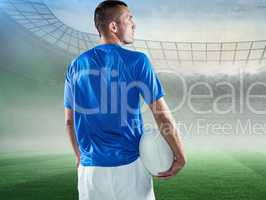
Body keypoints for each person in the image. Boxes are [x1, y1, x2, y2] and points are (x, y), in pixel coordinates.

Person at [63, 1, 186, 199]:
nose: (133, 24)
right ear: (114, 26)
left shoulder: (75, 66)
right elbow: (160, 114)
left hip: (90, 172)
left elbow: (69, 121)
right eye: (129, 18)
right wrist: (179, 155)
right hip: (130, 169)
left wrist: (80, 157)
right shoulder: (138, 61)